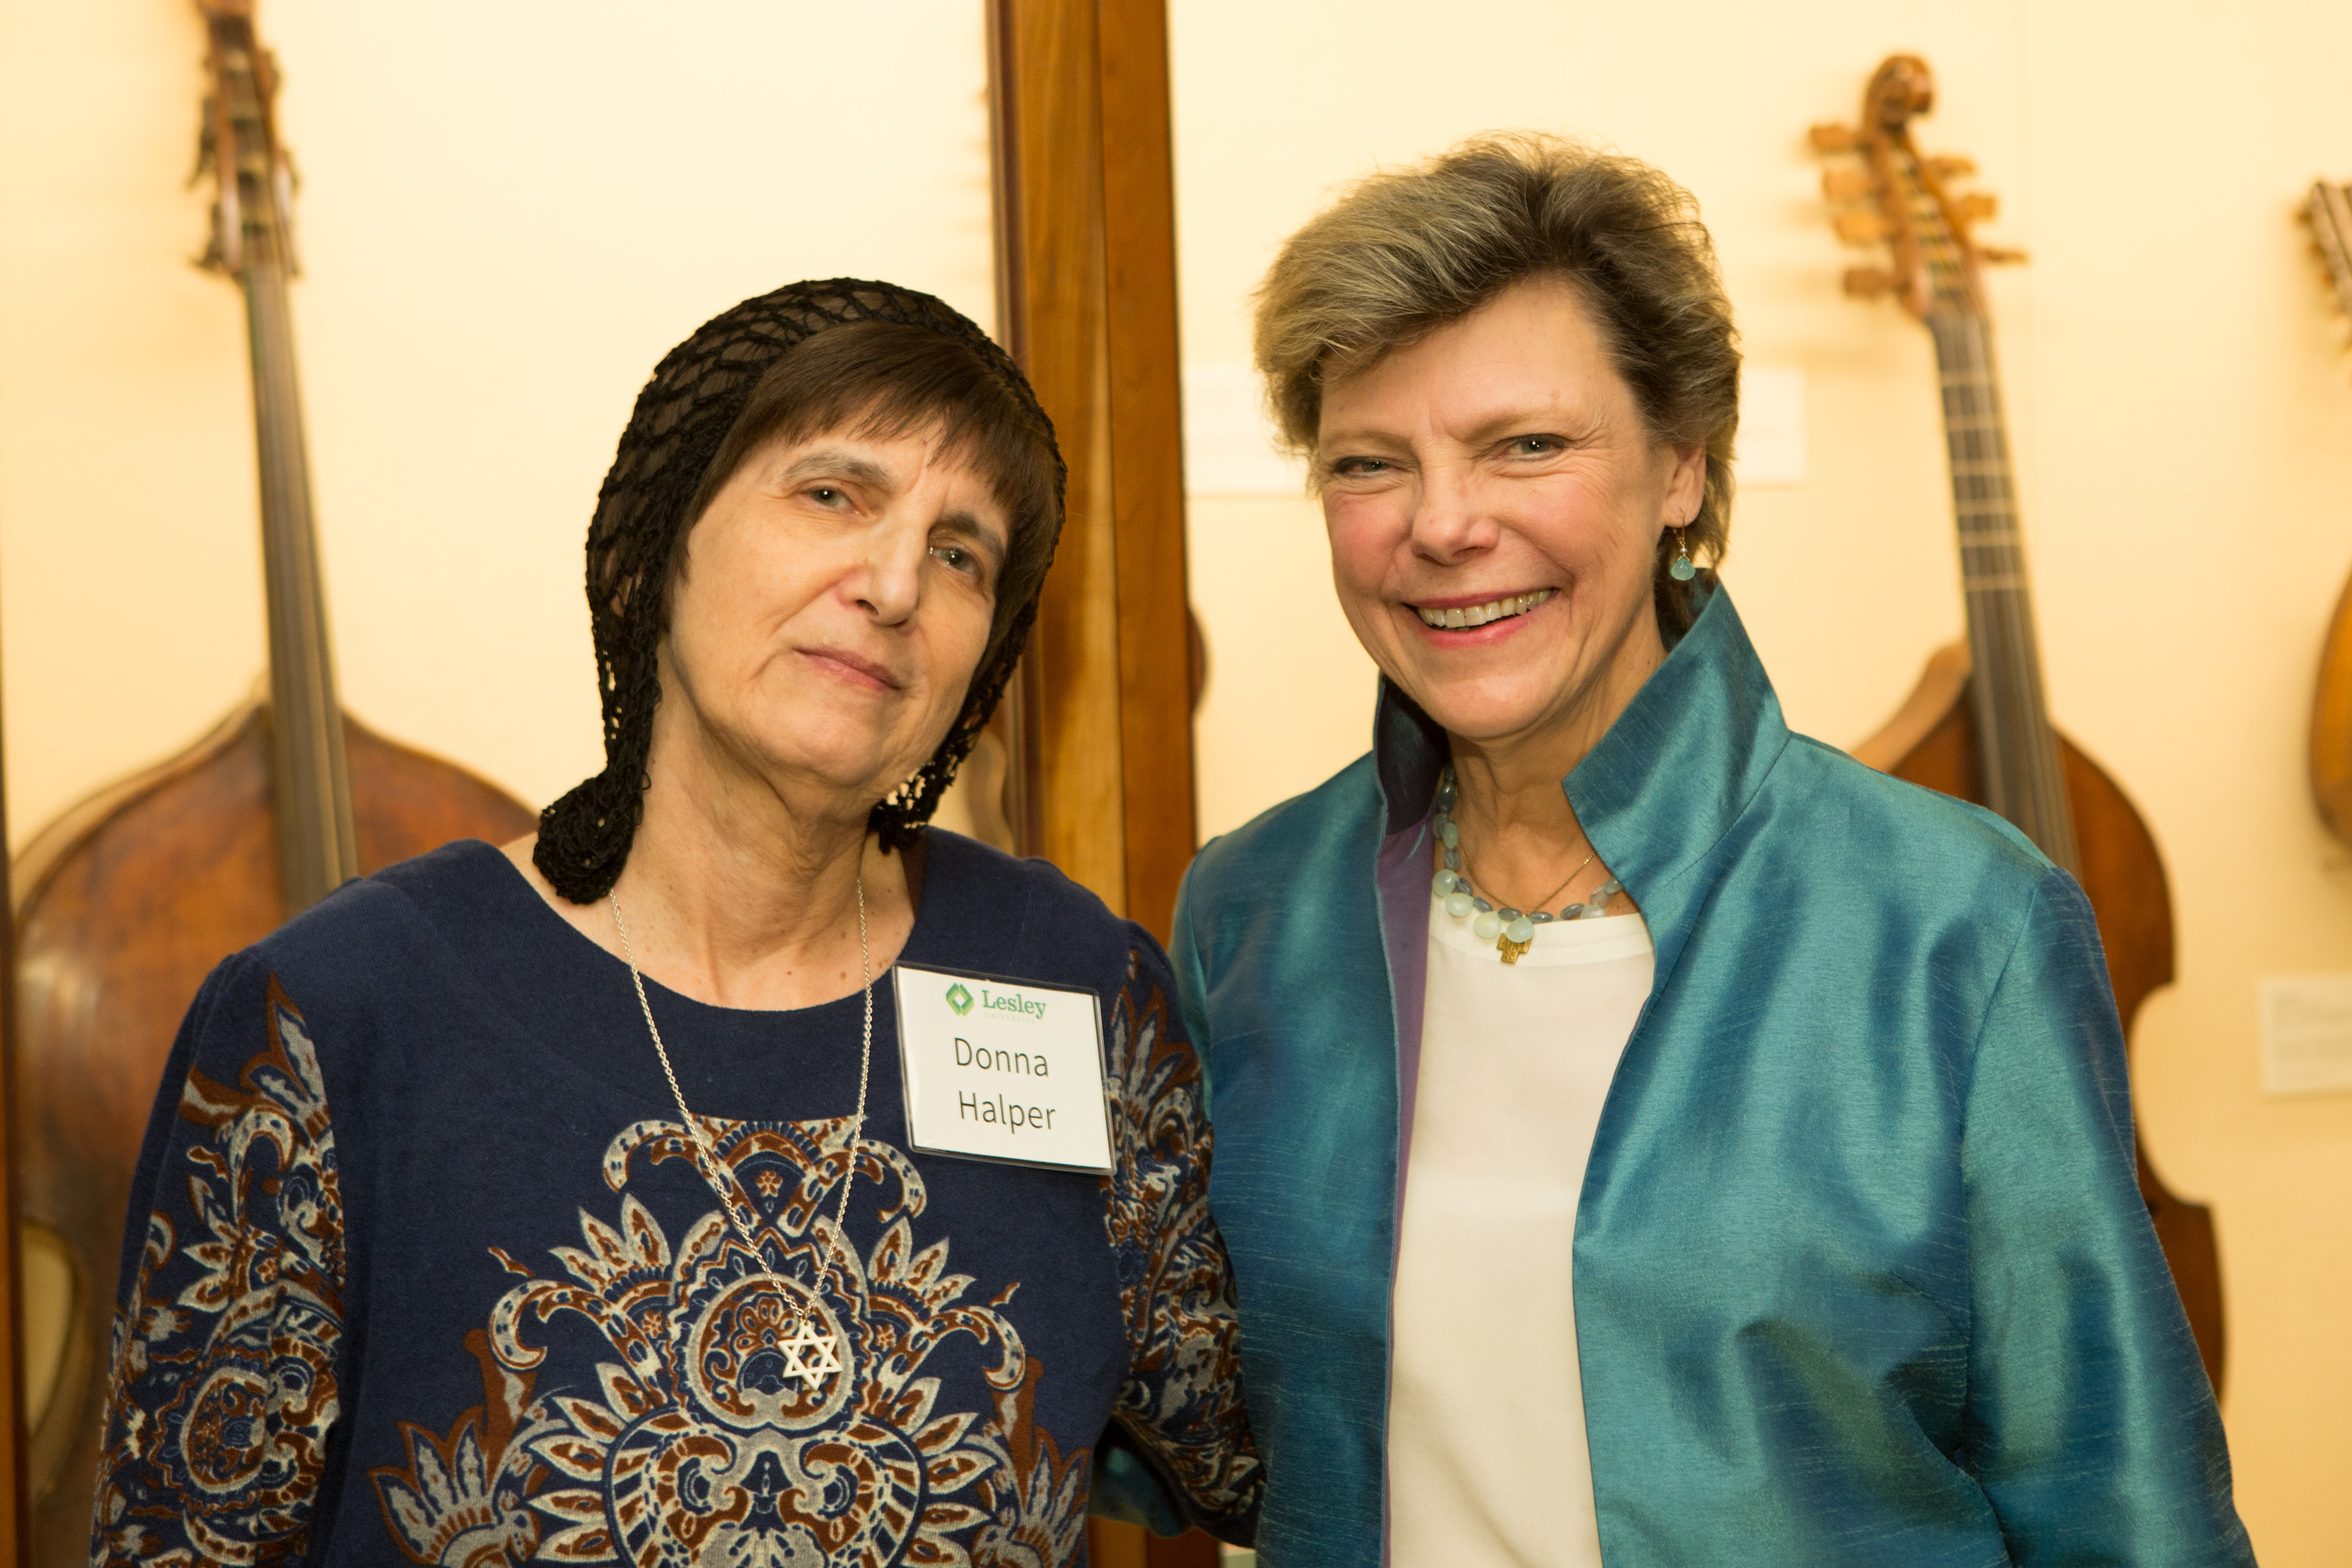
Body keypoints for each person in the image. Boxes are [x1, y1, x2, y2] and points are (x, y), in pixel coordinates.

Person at [1172, 136, 2252, 1565]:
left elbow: (2129, 1516)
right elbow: (1164, 1426)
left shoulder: (1954, 923)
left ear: (1683, 463)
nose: (1443, 525)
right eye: (1372, 464)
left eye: (1528, 445)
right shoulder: (1252, 911)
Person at [91, 279, 1259, 1566]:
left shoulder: (1079, 986)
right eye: (834, 495)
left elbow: (1268, 1450)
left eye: (960, 552)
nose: (891, 584)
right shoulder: (331, 1019)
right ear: (657, 545)